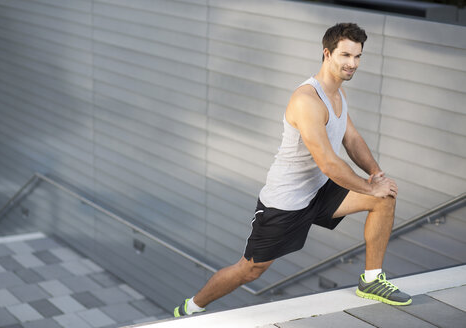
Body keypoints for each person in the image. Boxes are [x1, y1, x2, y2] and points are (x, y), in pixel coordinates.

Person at [174, 22, 411, 318]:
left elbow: (351, 138)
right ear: (327, 53)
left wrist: (376, 175)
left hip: (319, 190)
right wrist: (368, 185)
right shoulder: (307, 100)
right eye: (346, 55)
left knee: (383, 199)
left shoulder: (338, 94)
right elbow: (328, 161)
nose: (353, 63)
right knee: (249, 270)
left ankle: (372, 280)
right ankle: (190, 308)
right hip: (285, 203)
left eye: (358, 56)